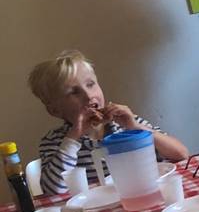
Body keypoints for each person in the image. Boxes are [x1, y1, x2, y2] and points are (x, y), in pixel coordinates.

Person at [27, 50, 189, 195]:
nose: (89, 96)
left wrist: (135, 127)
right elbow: (53, 189)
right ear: (55, 110)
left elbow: (181, 154)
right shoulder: (55, 142)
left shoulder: (127, 125)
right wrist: (73, 138)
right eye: (73, 92)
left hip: (144, 196)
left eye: (90, 84)